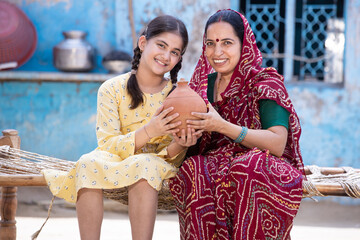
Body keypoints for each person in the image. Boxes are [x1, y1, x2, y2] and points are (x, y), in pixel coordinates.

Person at [42, 15, 196, 240]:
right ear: (143, 43)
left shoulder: (178, 96)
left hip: (159, 167)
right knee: (87, 162)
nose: (166, 56)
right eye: (161, 46)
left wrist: (181, 144)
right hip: (117, 161)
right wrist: (150, 131)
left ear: (179, 58)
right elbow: (106, 145)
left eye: (175, 52)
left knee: (144, 163)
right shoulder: (111, 89)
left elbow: (170, 156)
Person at [169, 9, 305, 240]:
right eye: (210, 43)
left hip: (263, 163)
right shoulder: (201, 86)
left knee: (248, 166)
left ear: (245, 44)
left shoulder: (265, 83)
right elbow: (192, 146)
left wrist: (222, 126)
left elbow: (277, 143)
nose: (217, 52)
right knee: (195, 169)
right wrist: (184, 141)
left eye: (227, 43)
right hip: (216, 164)